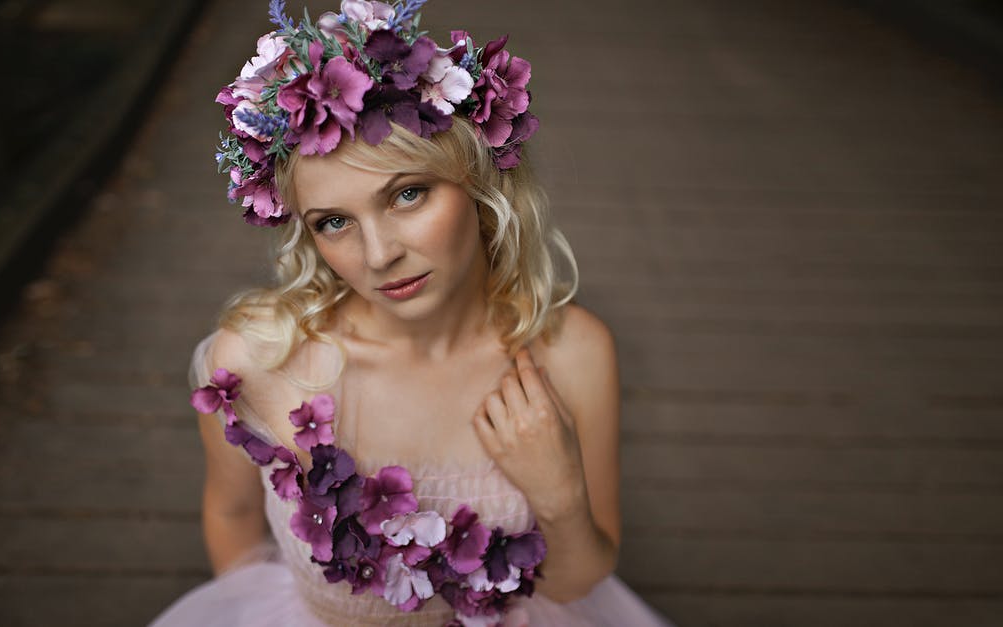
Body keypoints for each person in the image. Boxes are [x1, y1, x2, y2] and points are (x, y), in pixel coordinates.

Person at [150, 1, 675, 625]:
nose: (380, 255)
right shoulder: (254, 362)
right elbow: (232, 517)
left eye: (408, 194)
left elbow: (578, 580)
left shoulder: (572, 352)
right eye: (335, 222)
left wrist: (560, 498)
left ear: (480, 184)